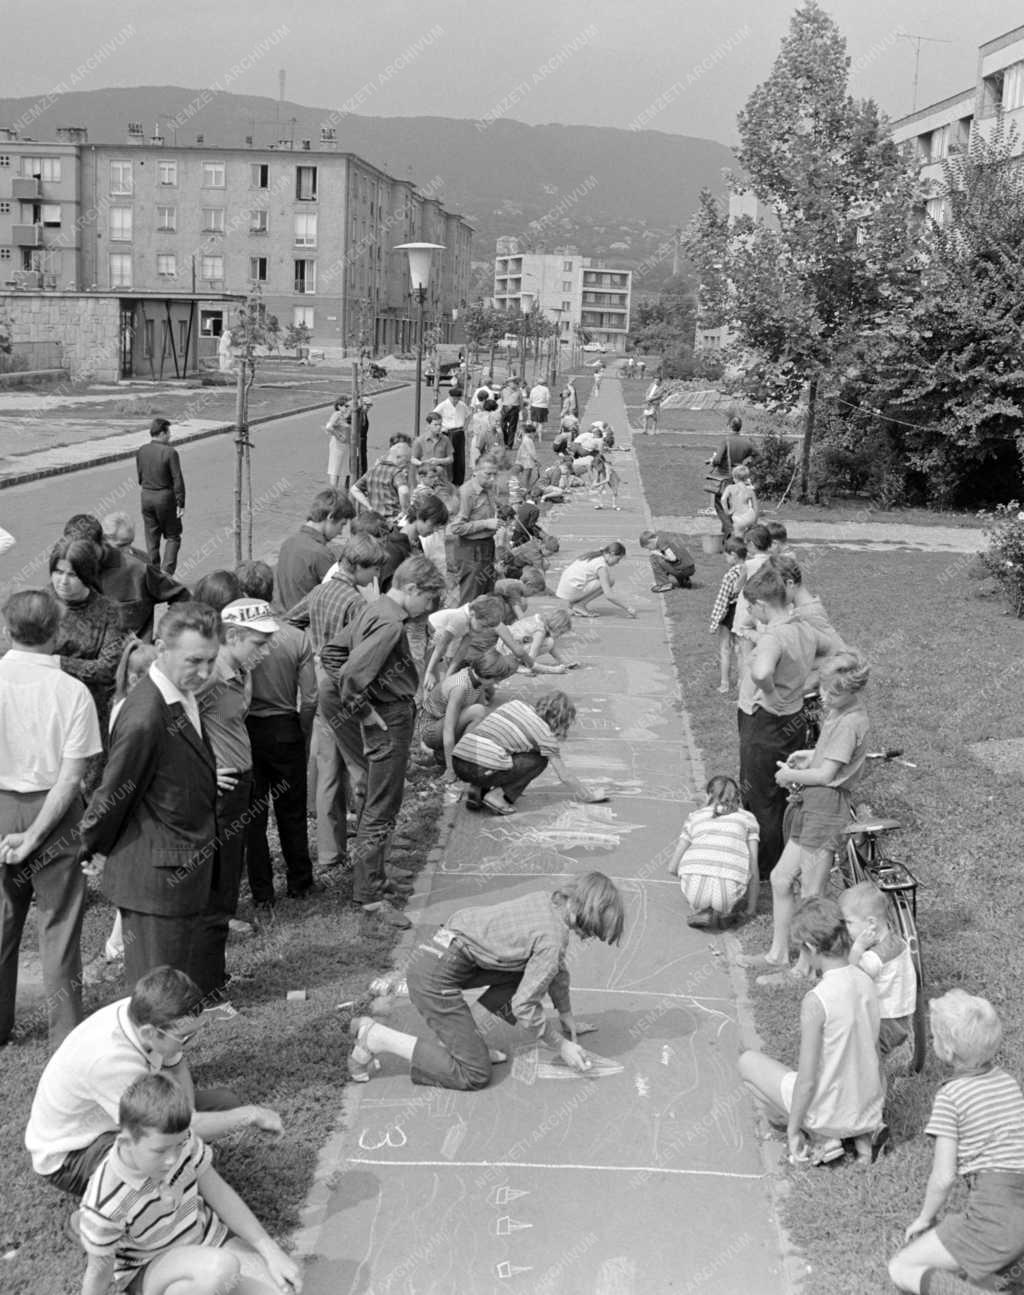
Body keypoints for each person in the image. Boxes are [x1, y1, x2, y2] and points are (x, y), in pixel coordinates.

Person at [347, 873, 624, 1089]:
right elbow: (524, 1006)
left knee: (531, 973)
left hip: (441, 955)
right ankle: (377, 1037)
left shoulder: (548, 901)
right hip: (434, 977)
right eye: (593, 931)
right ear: (585, 915)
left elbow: (555, 970)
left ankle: (466, 1041)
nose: (589, 937)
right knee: (475, 1074)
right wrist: (560, 1045)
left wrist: (566, 1015)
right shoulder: (552, 939)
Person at [26, 966, 280, 1199]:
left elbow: (177, 1066)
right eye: (184, 1035)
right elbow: (166, 1126)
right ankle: (89, 1220)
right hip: (74, 1154)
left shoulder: (144, 1012)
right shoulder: (111, 1061)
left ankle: (168, 1174)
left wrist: (188, 1115)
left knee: (225, 1104)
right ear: (150, 1033)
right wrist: (250, 1115)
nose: (190, 1040)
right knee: (166, 1184)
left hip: (121, 1119)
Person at [79, 602, 220, 990]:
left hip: (178, 872)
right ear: (161, 647)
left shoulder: (181, 693)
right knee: (154, 1002)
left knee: (169, 998)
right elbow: (113, 792)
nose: (205, 672)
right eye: (194, 660)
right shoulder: (145, 714)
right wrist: (91, 847)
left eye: (211, 660)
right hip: (156, 883)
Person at [77, 1072, 301, 1295]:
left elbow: (220, 1194)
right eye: (160, 1150)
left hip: (208, 1240)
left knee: (282, 1291)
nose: (172, 1159)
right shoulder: (104, 1202)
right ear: (126, 1142)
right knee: (220, 1270)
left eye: (179, 1144)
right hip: (153, 1271)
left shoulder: (182, 1142)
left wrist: (271, 1252)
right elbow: (99, 1274)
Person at [0, 589, 102, 1049]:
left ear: (7, 629)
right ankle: (65, 1036)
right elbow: (71, 777)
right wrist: (37, 833)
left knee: (2, 921)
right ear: (58, 633)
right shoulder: (73, 691)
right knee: (59, 925)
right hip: (55, 815)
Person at [325, 556, 446, 928]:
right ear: (411, 589)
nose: (429, 610)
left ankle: (375, 877)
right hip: (388, 714)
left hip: (384, 708)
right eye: (429, 600)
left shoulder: (375, 607)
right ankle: (370, 896)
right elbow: (351, 677)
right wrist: (366, 714)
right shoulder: (392, 624)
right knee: (382, 804)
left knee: (374, 799)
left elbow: (332, 653)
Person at [740, 648, 870, 984]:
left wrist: (790, 776)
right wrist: (807, 755)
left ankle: (805, 969)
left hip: (826, 810)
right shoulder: (841, 714)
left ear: (847, 691)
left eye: (829, 692)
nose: (822, 696)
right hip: (812, 806)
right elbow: (828, 759)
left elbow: (828, 775)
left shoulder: (849, 722)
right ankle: (778, 953)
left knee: (812, 894)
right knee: (783, 879)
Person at [888, 991, 1024, 1295]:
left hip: (995, 1216)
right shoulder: (1007, 1082)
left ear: (946, 1050)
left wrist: (925, 1218)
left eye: (934, 1037)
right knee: (987, 1270)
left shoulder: (951, 1097)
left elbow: (943, 1177)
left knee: (902, 1268)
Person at [739, 897, 886, 1168]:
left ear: (811, 947)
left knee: (747, 1064)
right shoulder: (866, 980)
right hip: (868, 1109)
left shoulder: (817, 1000)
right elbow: (874, 1051)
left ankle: (819, 1137)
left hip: (828, 1113)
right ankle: (859, 1136)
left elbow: (807, 1080)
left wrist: (794, 1129)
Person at [190, 599, 279, 1014]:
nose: (266, 650)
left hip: (238, 785)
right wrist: (205, 772)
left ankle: (215, 976)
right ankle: (206, 994)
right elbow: (169, 732)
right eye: (259, 642)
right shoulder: (207, 679)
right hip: (220, 793)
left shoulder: (239, 671)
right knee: (216, 893)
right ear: (233, 637)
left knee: (226, 889)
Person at [289, 534, 387, 874]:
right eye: (372, 570)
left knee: (328, 766)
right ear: (357, 566)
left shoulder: (320, 590)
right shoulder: (356, 604)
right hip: (343, 682)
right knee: (361, 767)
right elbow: (365, 653)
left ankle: (330, 853)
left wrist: (312, 651)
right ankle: (368, 849)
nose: (374, 578)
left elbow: (290, 621)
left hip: (317, 680)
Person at [735, 562, 833, 879]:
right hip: (793, 719)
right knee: (781, 791)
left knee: (759, 794)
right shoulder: (802, 626)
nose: (750, 611)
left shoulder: (773, 637)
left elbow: (762, 671)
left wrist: (770, 691)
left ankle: (764, 867)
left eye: (751, 606)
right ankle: (781, 856)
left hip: (766, 721)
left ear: (762, 605)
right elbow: (832, 650)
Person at [235, 562, 317, 919]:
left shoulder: (235, 638)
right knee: (292, 811)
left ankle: (262, 889)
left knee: (253, 816)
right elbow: (311, 697)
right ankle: (300, 880)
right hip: (286, 727)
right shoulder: (295, 637)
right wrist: (303, 728)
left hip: (248, 729)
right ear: (272, 593)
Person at [49, 536, 129, 788]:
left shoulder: (109, 611)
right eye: (58, 572)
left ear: (86, 574)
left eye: (71, 574)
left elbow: (107, 669)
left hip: (92, 713)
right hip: (49, 709)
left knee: (90, 786)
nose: (62, 581)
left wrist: (57, 663)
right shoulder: (43, 604)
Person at [450, 692, 604, 815]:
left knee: (498, 749)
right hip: (481, 769)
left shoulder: (515, 704)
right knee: (539, 761)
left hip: (459, 760)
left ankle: (477, 788)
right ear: (562, 720)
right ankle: (498, 796)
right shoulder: (545, 735)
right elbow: (564, 776)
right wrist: (589, 795)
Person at [67, 513, 189, 643]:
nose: (128, 550)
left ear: (101, 542)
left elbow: (183, 597)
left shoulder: (139, 570)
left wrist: (163, 636)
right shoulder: (67, 573)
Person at [840, 883, 917, 1076]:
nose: (846, 928)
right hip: (900, 1015)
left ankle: (871, 1097)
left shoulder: (876, 956)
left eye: (849, 922)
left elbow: (851, 976)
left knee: (864, 1060)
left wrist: (857, 948)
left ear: (871, 923)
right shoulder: (896, 941)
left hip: (884, 1019)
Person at [669, 775, 760, 928]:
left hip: (695, 893)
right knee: (735, 875)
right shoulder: (747, 818)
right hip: (727, 893)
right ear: (737, 796)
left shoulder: (695, 817)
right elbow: (753, 867)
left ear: (709, 795)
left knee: (691, 868)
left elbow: (672, 868)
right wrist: (750, 910)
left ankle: (702, 907)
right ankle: (723, 912)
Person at [421, 650, 519, 783]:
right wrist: (451, 770)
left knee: (485, 713)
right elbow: (448, 729)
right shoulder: (460, 687)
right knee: (478, 711)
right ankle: (460, 759)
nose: (497, 683)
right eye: (496, 679)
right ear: (487, 675)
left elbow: (483, 715)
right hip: (431, 730)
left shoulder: (476, 679)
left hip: (444, 725)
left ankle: (459, 755)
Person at [275, 490, 354, 613]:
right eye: (342, 525)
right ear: (330, 517)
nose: (341, 532)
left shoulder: (287, 544)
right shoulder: (321, 554)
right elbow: (337, 599)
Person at [136, 417, 185, 573]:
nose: (170, 436)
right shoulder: (170, 452)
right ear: (163, 433)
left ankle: (153, 572)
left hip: (146, 496)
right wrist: (180, 502)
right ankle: (166, 573)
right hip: (165, 498)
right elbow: (177, 478)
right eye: (168, 432)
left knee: (152, 538)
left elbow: (140, 476)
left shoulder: (141, 450)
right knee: (173, 536)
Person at [449, 453, 500, 604]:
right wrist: (485, 524)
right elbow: (456, 528)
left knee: (486, 597)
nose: (492, 478)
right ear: (476, 471)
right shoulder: (466, 493)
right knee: (471, 598)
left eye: (494, 474)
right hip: (470, 551)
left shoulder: (489, 488)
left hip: (487, 547)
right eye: (488, 474)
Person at [379, 496, 449, 593]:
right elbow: (390, 590)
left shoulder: (416, 543)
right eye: (433, 524)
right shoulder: (394, 549)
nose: (435, 530)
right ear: (419, 516)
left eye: (438, 526)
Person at [555, 542, 636, 619]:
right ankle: (580, 605)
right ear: (612, 554)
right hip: (571, 591)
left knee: (598, 578)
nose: (617, 562)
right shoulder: (601, 566)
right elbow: (609, 595)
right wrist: (628, 608)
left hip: (564, 590)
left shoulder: (594, 556)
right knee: (610, 581)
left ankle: (574, 604)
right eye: (618, 559)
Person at [709, 536, 747, 694]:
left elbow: (722, 601)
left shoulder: (730, 575)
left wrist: (714, 622)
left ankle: (724, 683)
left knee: (725, 649)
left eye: (726, 555)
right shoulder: (751, 569)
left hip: (729, 613)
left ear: (733, 555)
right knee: (740, 650)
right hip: (744, 612)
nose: (725, 558)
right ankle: (741, 682)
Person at [708, 417, 756, 536]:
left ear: (729, 426)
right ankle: (727, 534)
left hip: (724, 478)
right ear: (740, 427)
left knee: (720, 504)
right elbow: (759, 456)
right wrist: (747, 465)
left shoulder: (726, 441)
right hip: (739, 477)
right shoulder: (746, 442)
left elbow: (718, 460)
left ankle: (730, 530)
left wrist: (712, 461)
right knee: (735, 504)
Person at [350, 441, 412, 524]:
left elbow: (354, 489)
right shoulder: (396, 473)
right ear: (398, 457)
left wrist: (369, 506)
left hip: (375, 520)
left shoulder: (372, 470)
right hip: (393, 521)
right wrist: (405, 511)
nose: (407, 465)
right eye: (406, 462)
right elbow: (404, 491)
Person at [434, 385, 470, 486]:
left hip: (459, 432)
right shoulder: (443, 405)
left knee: (460, 457)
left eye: (458, 398)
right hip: (447, 432)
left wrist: (465, 427)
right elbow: (433, 416)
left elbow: (468, 415)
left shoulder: (462, 405)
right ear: (450, 396)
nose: (456, 400)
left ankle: (458, 480)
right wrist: (439, 428)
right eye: (454, 398)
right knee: (449, 456)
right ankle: (448, 479)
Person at [411, 411, 454, 482]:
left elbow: (451, 458)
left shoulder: (445, 439)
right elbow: (413, 459)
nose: (439, 427)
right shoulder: (419, 441)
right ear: (428, 425)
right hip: (425, 478)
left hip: (441, 478)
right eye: (435, 425)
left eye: (440, 425)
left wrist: (439, 461)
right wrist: (423, 463)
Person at [721, 464, 759, 538]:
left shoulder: (730, 488)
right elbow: (756, 508)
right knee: (748, 536)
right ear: (746, 478)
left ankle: (738, 546)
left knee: (738, 536)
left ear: (734, 477)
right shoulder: (750, 491)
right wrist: (755, 521)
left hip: (738, 517)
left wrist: (727, 511)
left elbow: (723, 499)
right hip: (750, 515)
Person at [324, 395, 352, 489]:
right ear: (339, 406)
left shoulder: (344, 416)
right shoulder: (337, 414)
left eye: (348, 406)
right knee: (335, 469)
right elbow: (328, 427)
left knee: (340, 468)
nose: (347, 408)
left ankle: (335, 489)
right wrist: (338, 436)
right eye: (346, 406)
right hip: (337, 445)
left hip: (344, 446)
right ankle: (333, 490)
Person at [499, 376, 522, 450]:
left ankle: (509, 445)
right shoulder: (504, 391)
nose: (515, 384)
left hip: (514, 409)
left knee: (512, 427)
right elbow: (502, 399)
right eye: (513, 383)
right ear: (509, 383)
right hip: (505, 408)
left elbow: (521, 402)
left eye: (516, 383)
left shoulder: (519, 391)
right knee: (503, 426)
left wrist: (518, 410)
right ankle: (506, 441)